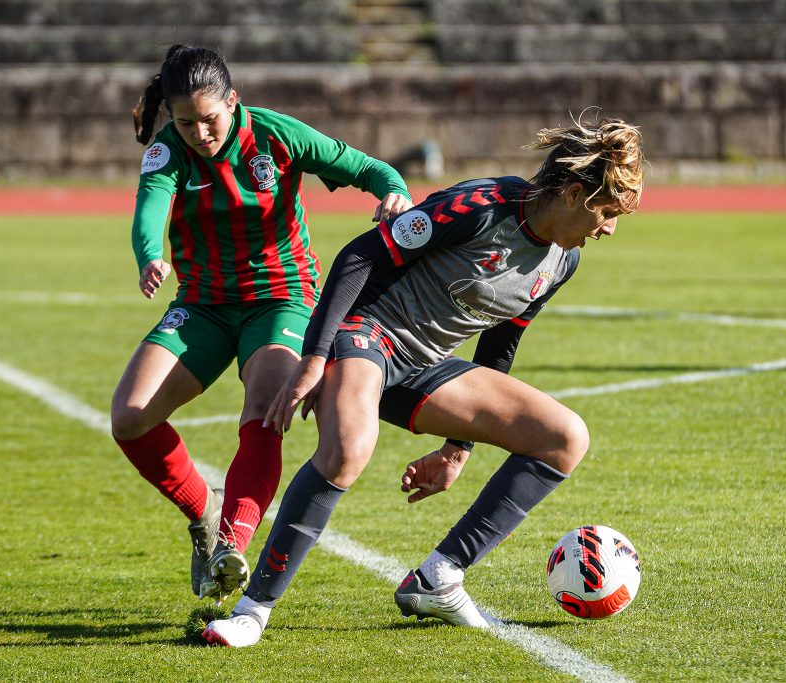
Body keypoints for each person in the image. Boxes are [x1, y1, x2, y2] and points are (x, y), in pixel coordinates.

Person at [202, 113, 644, 646]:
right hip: (366, 332)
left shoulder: (563, 262)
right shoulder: (482, 208)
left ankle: (440, 577)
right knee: (347, 450)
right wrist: (316, 358)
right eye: (607, 211)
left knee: (565, 437)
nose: (609, 228)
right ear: (573, 194)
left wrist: (457, 449)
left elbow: (500, 342)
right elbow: (360, 256)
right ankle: (253, 612)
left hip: (425, 362)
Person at [111, 45, 412, 603]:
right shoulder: (167, 150)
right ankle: (204, 515)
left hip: (282, 298)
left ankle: (231, 545)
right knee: (129, 418)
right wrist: (151, 254)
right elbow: (149, 208)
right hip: (203, 303)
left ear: (233, 100)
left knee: (265, 412)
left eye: (210, 119)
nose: (200, 133)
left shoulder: (277, 136)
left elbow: (367, 167)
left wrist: (393, 191)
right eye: (185, 122)